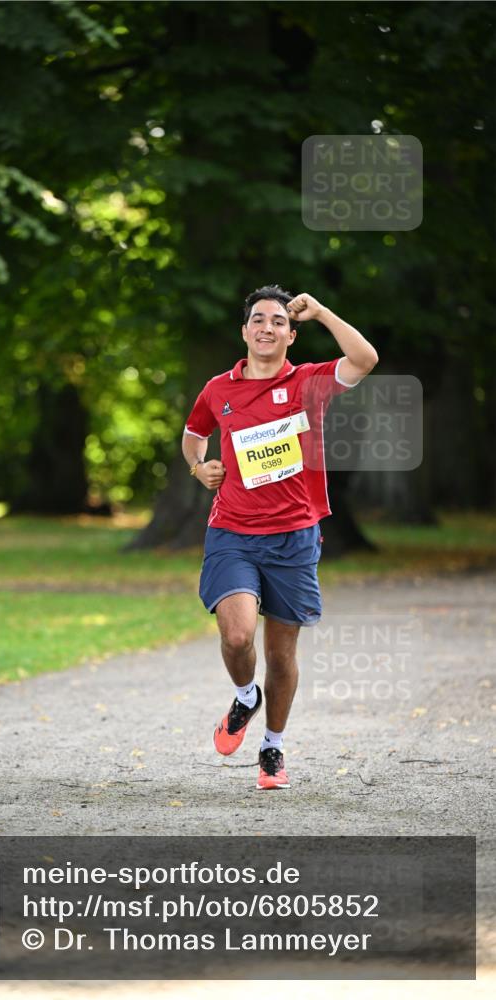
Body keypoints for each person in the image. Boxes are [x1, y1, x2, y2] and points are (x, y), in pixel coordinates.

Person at [182, 284, 378, 790]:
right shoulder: (218, 389)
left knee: (282, 656)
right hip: (234, 532)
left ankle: (273, 747)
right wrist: (198, 466)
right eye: (257, 320)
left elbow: (365, 357)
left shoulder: (309, 382)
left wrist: (323, 312)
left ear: (291, 333)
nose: (266, 328)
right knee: (238, 635)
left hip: (294, 537)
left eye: (277, 321)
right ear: (244, 330)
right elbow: (193, 433)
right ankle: (246, 695)